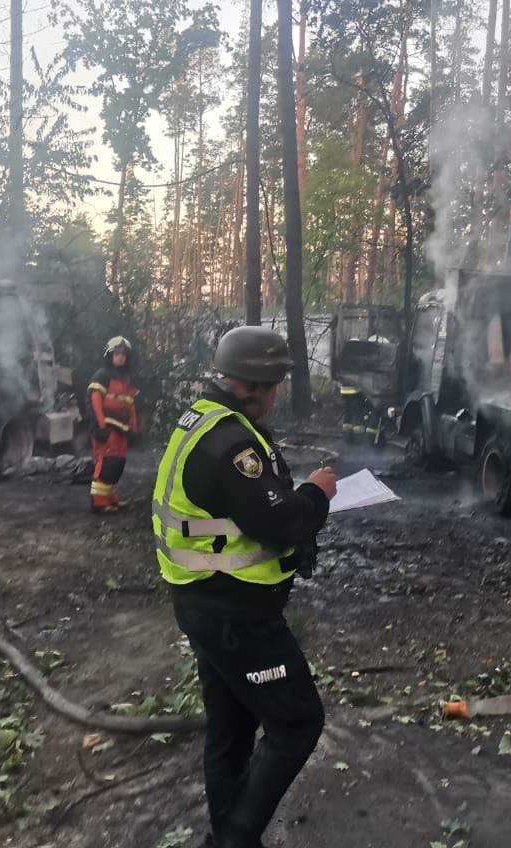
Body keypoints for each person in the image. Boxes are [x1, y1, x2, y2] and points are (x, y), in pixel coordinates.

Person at [151, 326, 338, 848]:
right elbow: (279, 524)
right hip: (236, 616)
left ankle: (228, 835)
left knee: (230, 727)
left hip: (205, 601)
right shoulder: (232, 443)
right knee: (298, 723)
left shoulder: (205, 418)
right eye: (274, 383)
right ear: (253, 384)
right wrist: (316, 494)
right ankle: (233, 839)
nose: (277, 393)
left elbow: (246, 506)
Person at [87, 335, 139, 513]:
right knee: (107, 463)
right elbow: (95, 402)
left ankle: (110, 498)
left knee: (117, 464)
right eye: (117, 353)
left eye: (123, 354)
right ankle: (99, 502)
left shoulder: (124, 379)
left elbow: (130, 403)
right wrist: (101, 426)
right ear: (110, 355)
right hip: (107, 428)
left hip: (121, 429)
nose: (120, 357)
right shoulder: (102, 376)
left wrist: (134, 426)